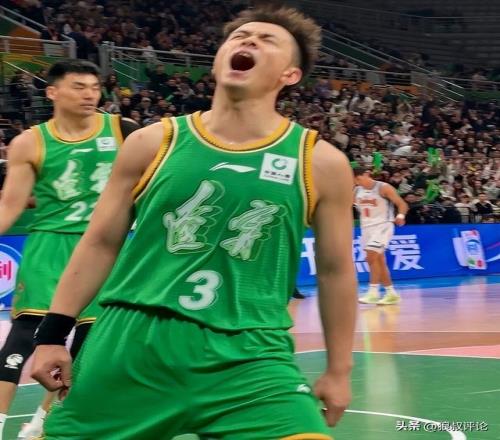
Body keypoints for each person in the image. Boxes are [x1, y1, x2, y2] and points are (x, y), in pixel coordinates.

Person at [32, 7, 358, 439]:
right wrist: (52, 334)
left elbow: (336, 271)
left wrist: (339, 370)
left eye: (267, 40)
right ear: (219, 57)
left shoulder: (321, 162)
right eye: (239, 36)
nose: (249, 41)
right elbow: (100, 243)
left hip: (251, 355)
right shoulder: (152, 142)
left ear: (291, 74)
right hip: (130, 344)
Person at [0, 60, 138, 440]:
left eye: (94, 87)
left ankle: (40, 424)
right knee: (23, 338)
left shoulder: (124, 130)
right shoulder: (30, 142)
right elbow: (10, 206)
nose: (90, 94)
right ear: (52, 92)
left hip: (105, 247)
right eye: (79, 86)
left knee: (85, 347)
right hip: (51, 245)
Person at [354, 167, 408, 305]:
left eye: (358, 179)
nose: (357, 182)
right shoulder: (356, 191)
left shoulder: (383, 187)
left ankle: (373, 292)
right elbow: (344, 207)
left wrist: (400, 216)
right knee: (378, 261)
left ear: (367, 174)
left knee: (371, 256)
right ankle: (391, 293)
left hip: (383, 225)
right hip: (366, 228)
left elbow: (402, 204)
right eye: (355, 180)